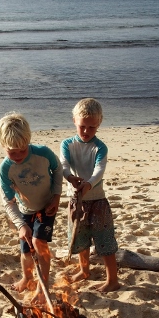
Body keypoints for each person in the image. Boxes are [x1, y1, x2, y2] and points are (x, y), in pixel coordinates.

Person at [0, 112, 63, 298]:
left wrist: (56, 196)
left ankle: (43, 285)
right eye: (11, 152)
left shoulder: (43, 153)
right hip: (24, 210)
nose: (17, 156)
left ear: (28, 141)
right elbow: (8, 202)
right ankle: (27, 277)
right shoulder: (6, 169)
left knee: (38, 242)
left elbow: (58, 170)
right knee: (26, 250)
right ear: (3, 146)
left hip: (47, 206)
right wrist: (21, 225)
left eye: (22, 150)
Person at [60, 98, 120, 293]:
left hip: (97, 201)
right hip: (76, 200)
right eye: (82, 126)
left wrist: (88, 184)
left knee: (105, 240)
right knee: (80, 238)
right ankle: (84, 270)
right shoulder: (67, 144)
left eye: (91, 128)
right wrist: (70, 178)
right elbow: (64, 165)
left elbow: (99, 170)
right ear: (74, 121)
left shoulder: (100, 147)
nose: (86, 131)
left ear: (99, 124)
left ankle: (112, 279)